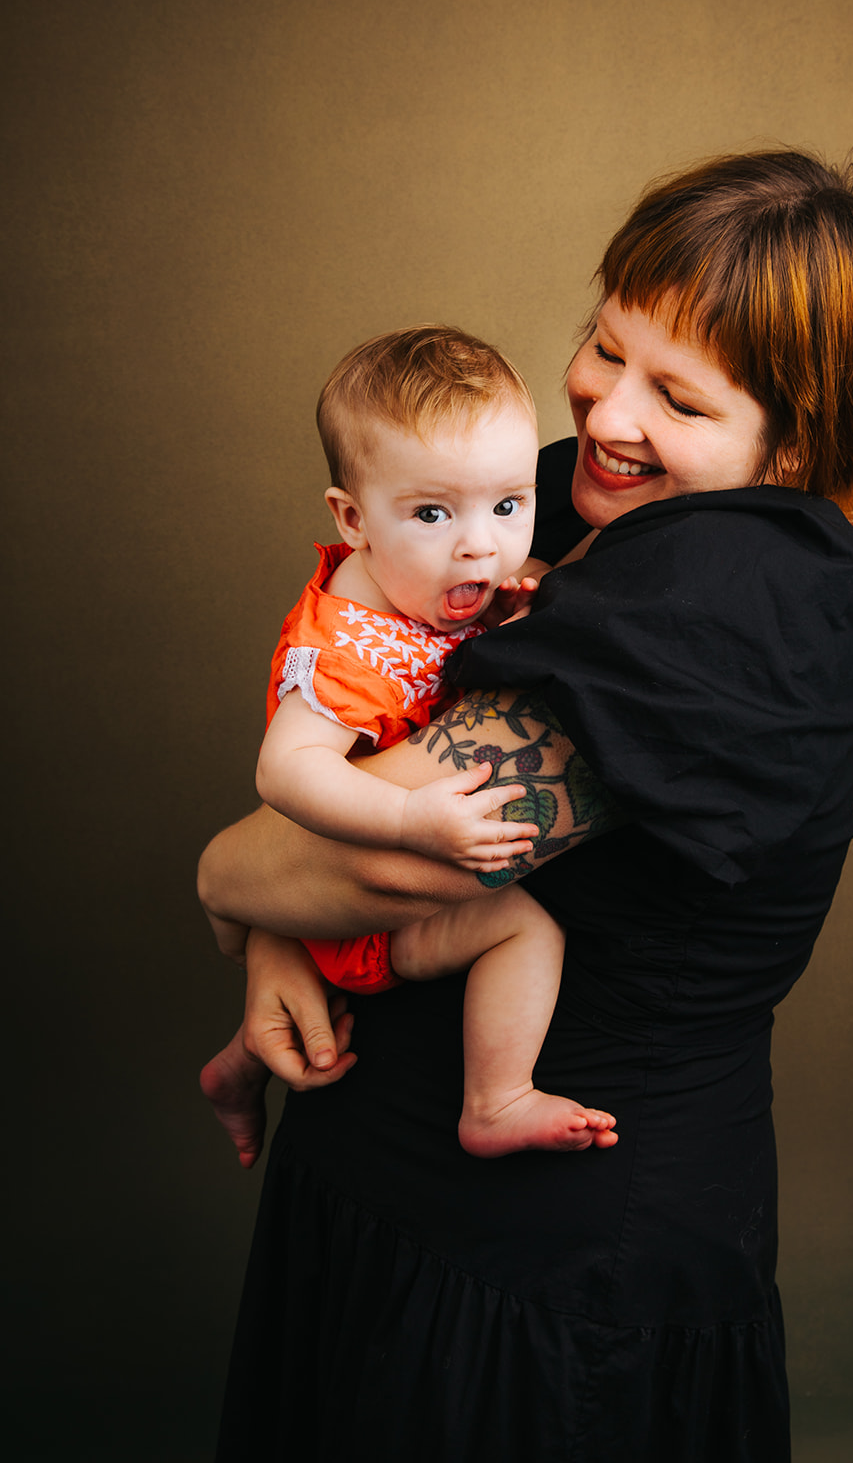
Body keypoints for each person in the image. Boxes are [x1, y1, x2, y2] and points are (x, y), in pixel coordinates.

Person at [198, 149, 853, 1462]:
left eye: (680, 399)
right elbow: (356, 718)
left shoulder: (742, 591)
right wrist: (270, 942)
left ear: (795, 442)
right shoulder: (543, 494)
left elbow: (395, 859)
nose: (608, 415)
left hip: (545, 1268)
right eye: (605, 347)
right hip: (373, 1184)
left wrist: (220, 884)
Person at [200, 324, 617, 1166]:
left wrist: (519, 608)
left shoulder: (431, 583)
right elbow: (283, 771)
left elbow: (489, 609)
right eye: (432, 513)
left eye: (507, 505)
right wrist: (409, 821)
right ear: (351, 520)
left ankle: (238, 1065)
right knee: (525, 930)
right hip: (351, 904)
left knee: (292, 1006)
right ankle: (496, 1099)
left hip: (313, 899)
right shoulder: (352, 648)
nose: (480, 544)